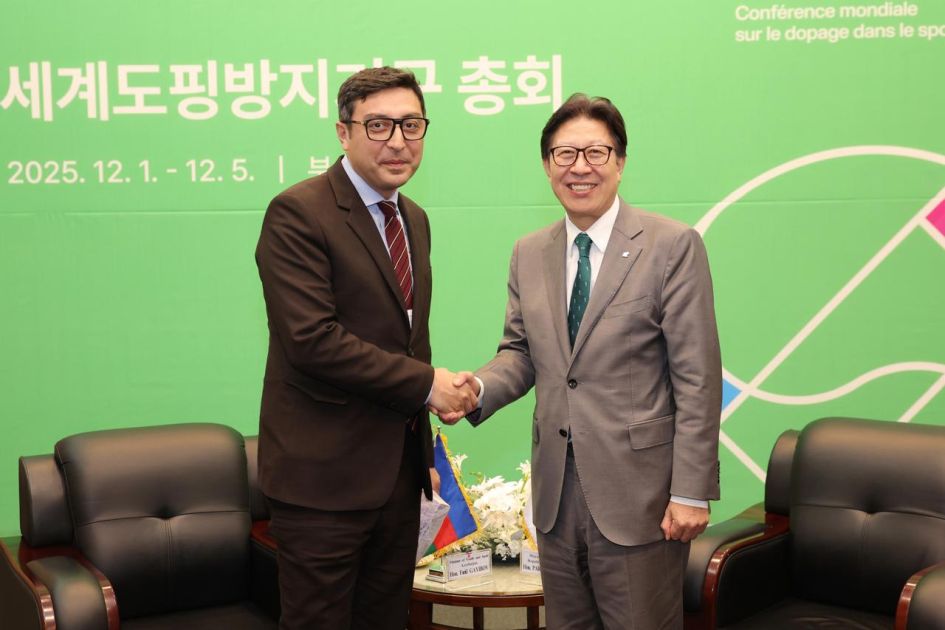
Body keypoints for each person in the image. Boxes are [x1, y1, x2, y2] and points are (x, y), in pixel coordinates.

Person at [438, 93, 722, 629]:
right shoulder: (529, 252)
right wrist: (477, 389)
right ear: (547, 166)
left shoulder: (671, 245)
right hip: (555, 497)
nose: (580, 167)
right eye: (565, 154)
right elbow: (521, 353)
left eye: (596, 152)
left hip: (641, 498)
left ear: (620, 161)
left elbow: (698, 378)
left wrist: (691, 490)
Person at [255, 66, 478, 630]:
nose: (398, 141)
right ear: (343, 132)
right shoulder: (298, 212)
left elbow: (407, 340)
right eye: (378, 125)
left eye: (411, 124)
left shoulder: (413, 218)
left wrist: (421, 458)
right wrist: (428, 386)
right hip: (322, 486)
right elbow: (312, 340)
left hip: (398, 482)